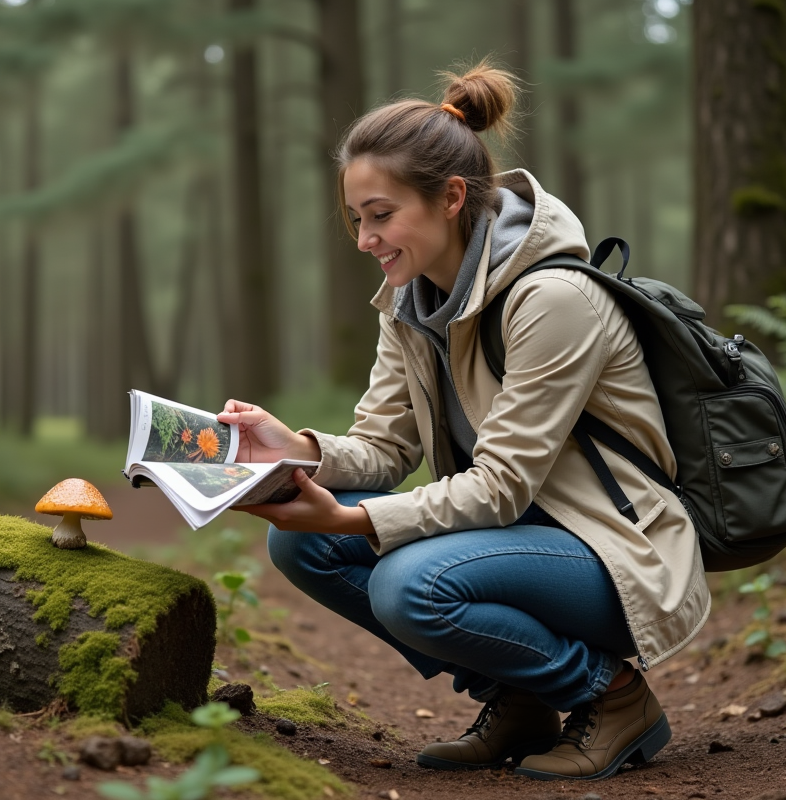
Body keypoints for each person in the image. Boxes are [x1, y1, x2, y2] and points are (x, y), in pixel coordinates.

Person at [215, 59, 709, 782]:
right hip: (510, 543)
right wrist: (299, 449)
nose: (365, 239)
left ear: (450, 198)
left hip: (614, 551)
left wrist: (353, 522)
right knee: (300, 548)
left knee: (408, 584)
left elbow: (502, 487)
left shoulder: (554, 299)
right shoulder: (411, 301)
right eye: (357, 219)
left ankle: (613, 694)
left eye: (381, 216)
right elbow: (385, 448)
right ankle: (519, 697)